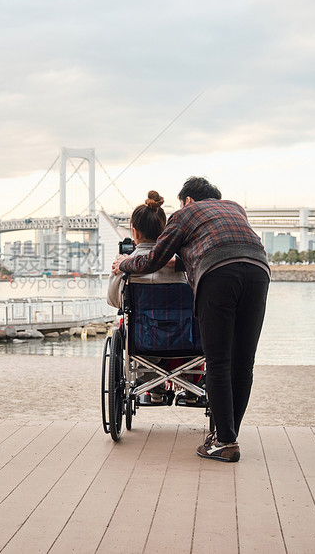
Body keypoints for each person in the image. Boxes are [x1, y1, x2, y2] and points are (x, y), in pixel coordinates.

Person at [112, 177, 270, 462]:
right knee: (243, 362)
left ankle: (224, 441)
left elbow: (152, 261)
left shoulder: (183, 214)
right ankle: (226, 436)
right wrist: (183, 263)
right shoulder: (234, 208)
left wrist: (124, 264)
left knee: (219, 361)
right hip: (259, 270)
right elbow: (226, 246)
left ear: (187, 200)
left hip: (219, 277)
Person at [107, 191, 187, 403]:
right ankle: (191, 385)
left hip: (143, 343)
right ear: (164, 232)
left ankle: (155, 388)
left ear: (134, 232)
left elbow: (115, 301)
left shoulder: (124, 263)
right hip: (185, 341)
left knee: (129, 327)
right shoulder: (181, 263)